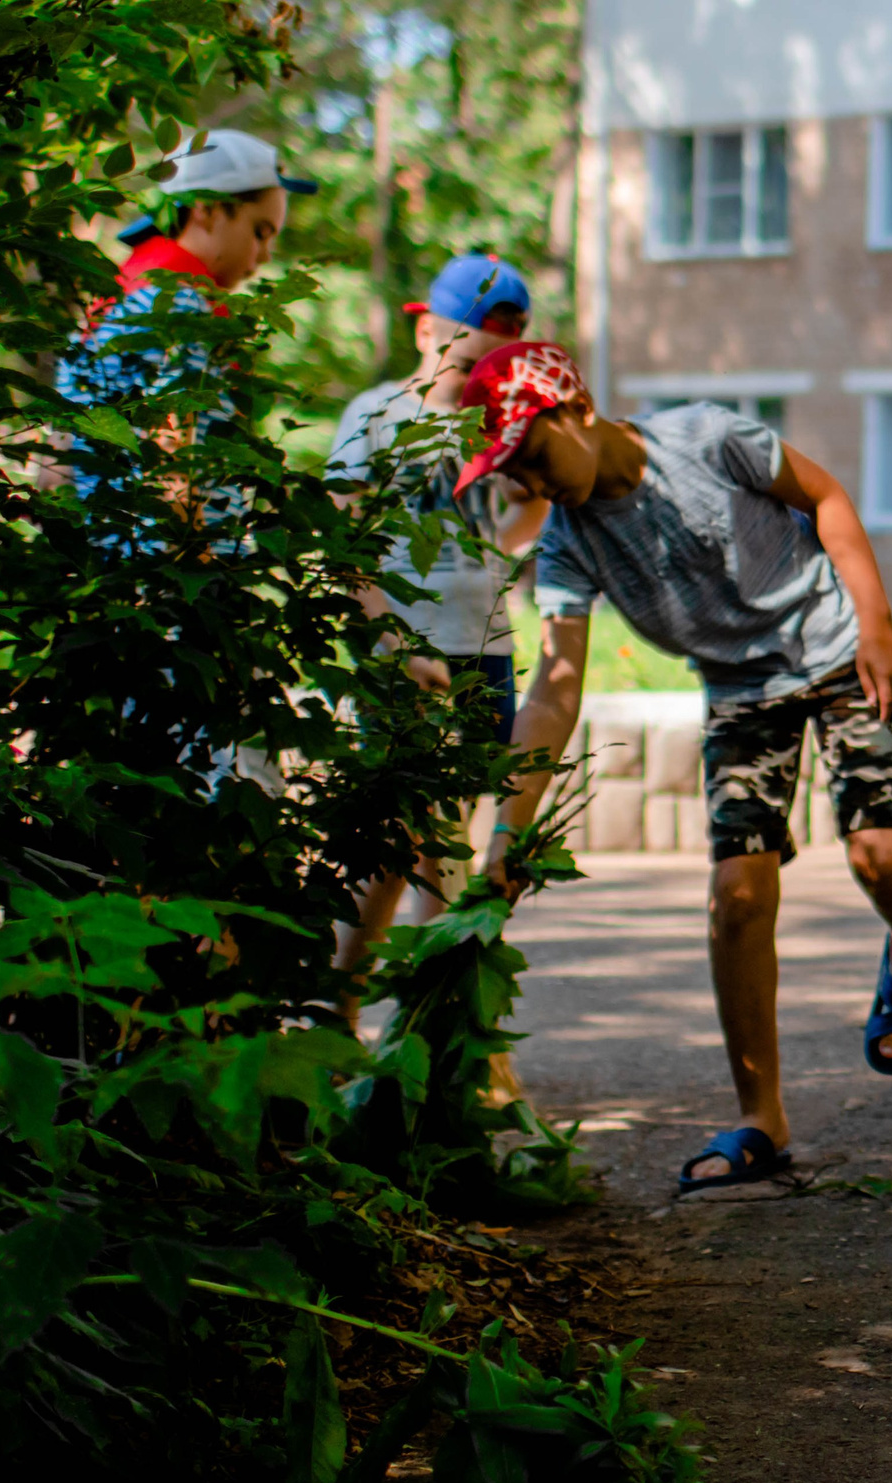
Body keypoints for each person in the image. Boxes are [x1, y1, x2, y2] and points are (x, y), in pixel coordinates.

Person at [462, 342, 892, 1195]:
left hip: (835, 652)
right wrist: (506, 827)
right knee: (738, 896)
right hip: (740, 690)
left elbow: (826, 496)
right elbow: (555, 687)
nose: (532, 487)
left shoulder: (705, 436)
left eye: (532, 456)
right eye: (515, 477)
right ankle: (763, 1117)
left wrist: (875, 621)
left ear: (574, 407)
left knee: (883, 857)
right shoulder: (568, 547)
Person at [329, 255, 550, 1007]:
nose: (496, 347)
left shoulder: (502, 424)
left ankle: (424, 1034)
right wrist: (390, 644)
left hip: (485, 646)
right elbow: (343, 534)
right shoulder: (377, 412)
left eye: (511, 335)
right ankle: (376, 1015)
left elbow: (525, 514)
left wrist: (515, 526)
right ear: (428, 328)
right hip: (407, 648)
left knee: (437, 839)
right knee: (409, 844)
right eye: (485, 330)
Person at [55, 128, 313, 516]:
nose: (264, 256)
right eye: (259, 233)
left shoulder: (121, 293)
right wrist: (200, 560)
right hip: (164, 560)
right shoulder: (183, 309)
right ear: (206, 209)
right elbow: (177, 471)